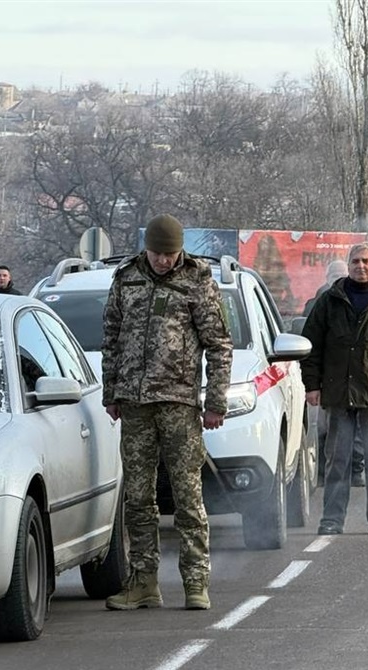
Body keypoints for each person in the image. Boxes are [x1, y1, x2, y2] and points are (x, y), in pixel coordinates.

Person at [101, 214, 233, 611]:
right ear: (147, 249)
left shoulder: (197, 279)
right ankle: (143, 582)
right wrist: (111, 393)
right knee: (138, 498)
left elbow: (219, 345)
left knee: (187, 496)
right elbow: (111, 337)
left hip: (178, 402)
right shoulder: (127, 278)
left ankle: (196, 582)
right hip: (135, 404)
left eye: (169, 254)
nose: (163, 261)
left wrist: (216, 403)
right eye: (157, 254)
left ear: (180, 251)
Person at [300, 241, 368, 536]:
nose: (360, 266)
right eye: (355, 262)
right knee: (337, 460)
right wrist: (312, 386)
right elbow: (311, 346)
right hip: (337, 393)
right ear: (348, 266)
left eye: (366, 261)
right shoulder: (330, 300)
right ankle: (332, 520)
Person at [304, 260, 365, 487]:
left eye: (342, 274)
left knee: (357, 426)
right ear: (327, 276)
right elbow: (308, 342)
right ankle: (322, 470)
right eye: (334, 274)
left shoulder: (359, 301)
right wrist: (312, 380)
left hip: (357, 377)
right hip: (326, 377)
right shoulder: (315, 304)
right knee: (324, 426)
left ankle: (356, 470)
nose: (338, 278)